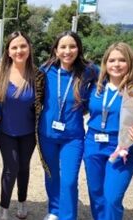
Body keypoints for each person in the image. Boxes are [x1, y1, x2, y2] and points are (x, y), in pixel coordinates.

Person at [83, 42, 133, 220]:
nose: (116, 64)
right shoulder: (95, 87)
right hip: (93, 144)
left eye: (122, 60)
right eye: (112, 60)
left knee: (112, 198)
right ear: (105, 63)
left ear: (130, 62)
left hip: (122, 147)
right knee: (96, 194)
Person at [38, 31, 98, 220]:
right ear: (55, 50)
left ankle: (68, 216)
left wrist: (87, 103)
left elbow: (112, 74)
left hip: (73, 136)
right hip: (46, 134)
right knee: (51, 175)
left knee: (70, 181)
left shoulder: (88, 70)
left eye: (72, 46)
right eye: (62, 47)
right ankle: (54, 211)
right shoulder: (45, 70)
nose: (67, 51)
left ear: (78, 49)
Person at [0, 31, 44, 220]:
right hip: (5, 130)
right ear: (8, 51)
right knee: (11, 166)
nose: (19, 50)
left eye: (23, 46)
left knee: (24, 166)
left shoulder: (38, 75)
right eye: (14, 47)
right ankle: (4, 207)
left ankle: (22, 202)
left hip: (29, 132)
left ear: (29, 49)